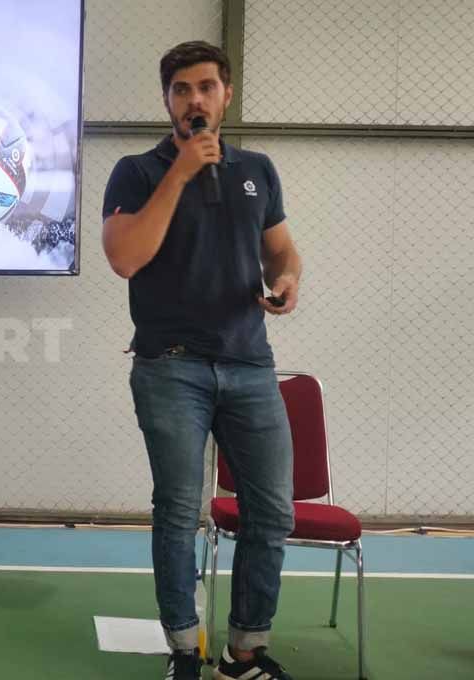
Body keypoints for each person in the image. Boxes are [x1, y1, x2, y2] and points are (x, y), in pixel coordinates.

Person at [101, 41, 302, 680]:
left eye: (206, 87)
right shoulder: (136, 171)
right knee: (179, 510)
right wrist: (181, 173)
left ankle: (244, 653)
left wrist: (289, 278)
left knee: (272, 511)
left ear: (226, 94)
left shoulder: (258, 169)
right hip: (171, 367)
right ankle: (185, 649)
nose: (195, 100)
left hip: (249, 364)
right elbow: (125, 257)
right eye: (182, 89)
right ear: (167, 100)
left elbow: (281, 253)